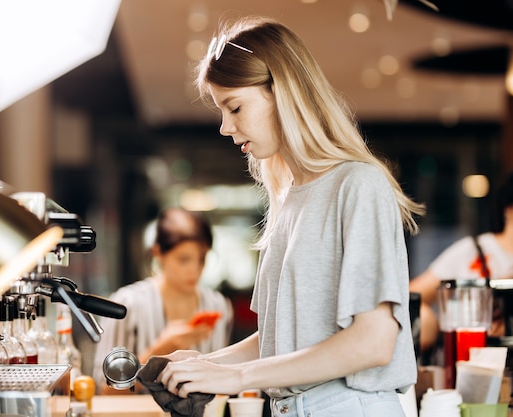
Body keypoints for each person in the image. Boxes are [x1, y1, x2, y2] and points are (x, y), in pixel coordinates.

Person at [153, 16, 425, 417]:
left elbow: (374, 341)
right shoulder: (289, 198)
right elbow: (280, 340)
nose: (226, 128)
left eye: (235, 107)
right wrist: (208, 365)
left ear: (282, 92)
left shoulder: (358, 184)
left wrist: (239, 378)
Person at [93, 207, 233, 394]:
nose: (195, 269)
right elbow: (105, 390)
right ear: (158, 253)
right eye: (184, 260)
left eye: (202, 258)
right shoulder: (127, 304)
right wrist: (160, 350)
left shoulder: (218, 305)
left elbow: (222, 385)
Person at [410, 171, 513, 351]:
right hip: (469, 359)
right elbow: (412, 297)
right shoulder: (472, 249)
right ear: (508, 207)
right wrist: (429, 325)